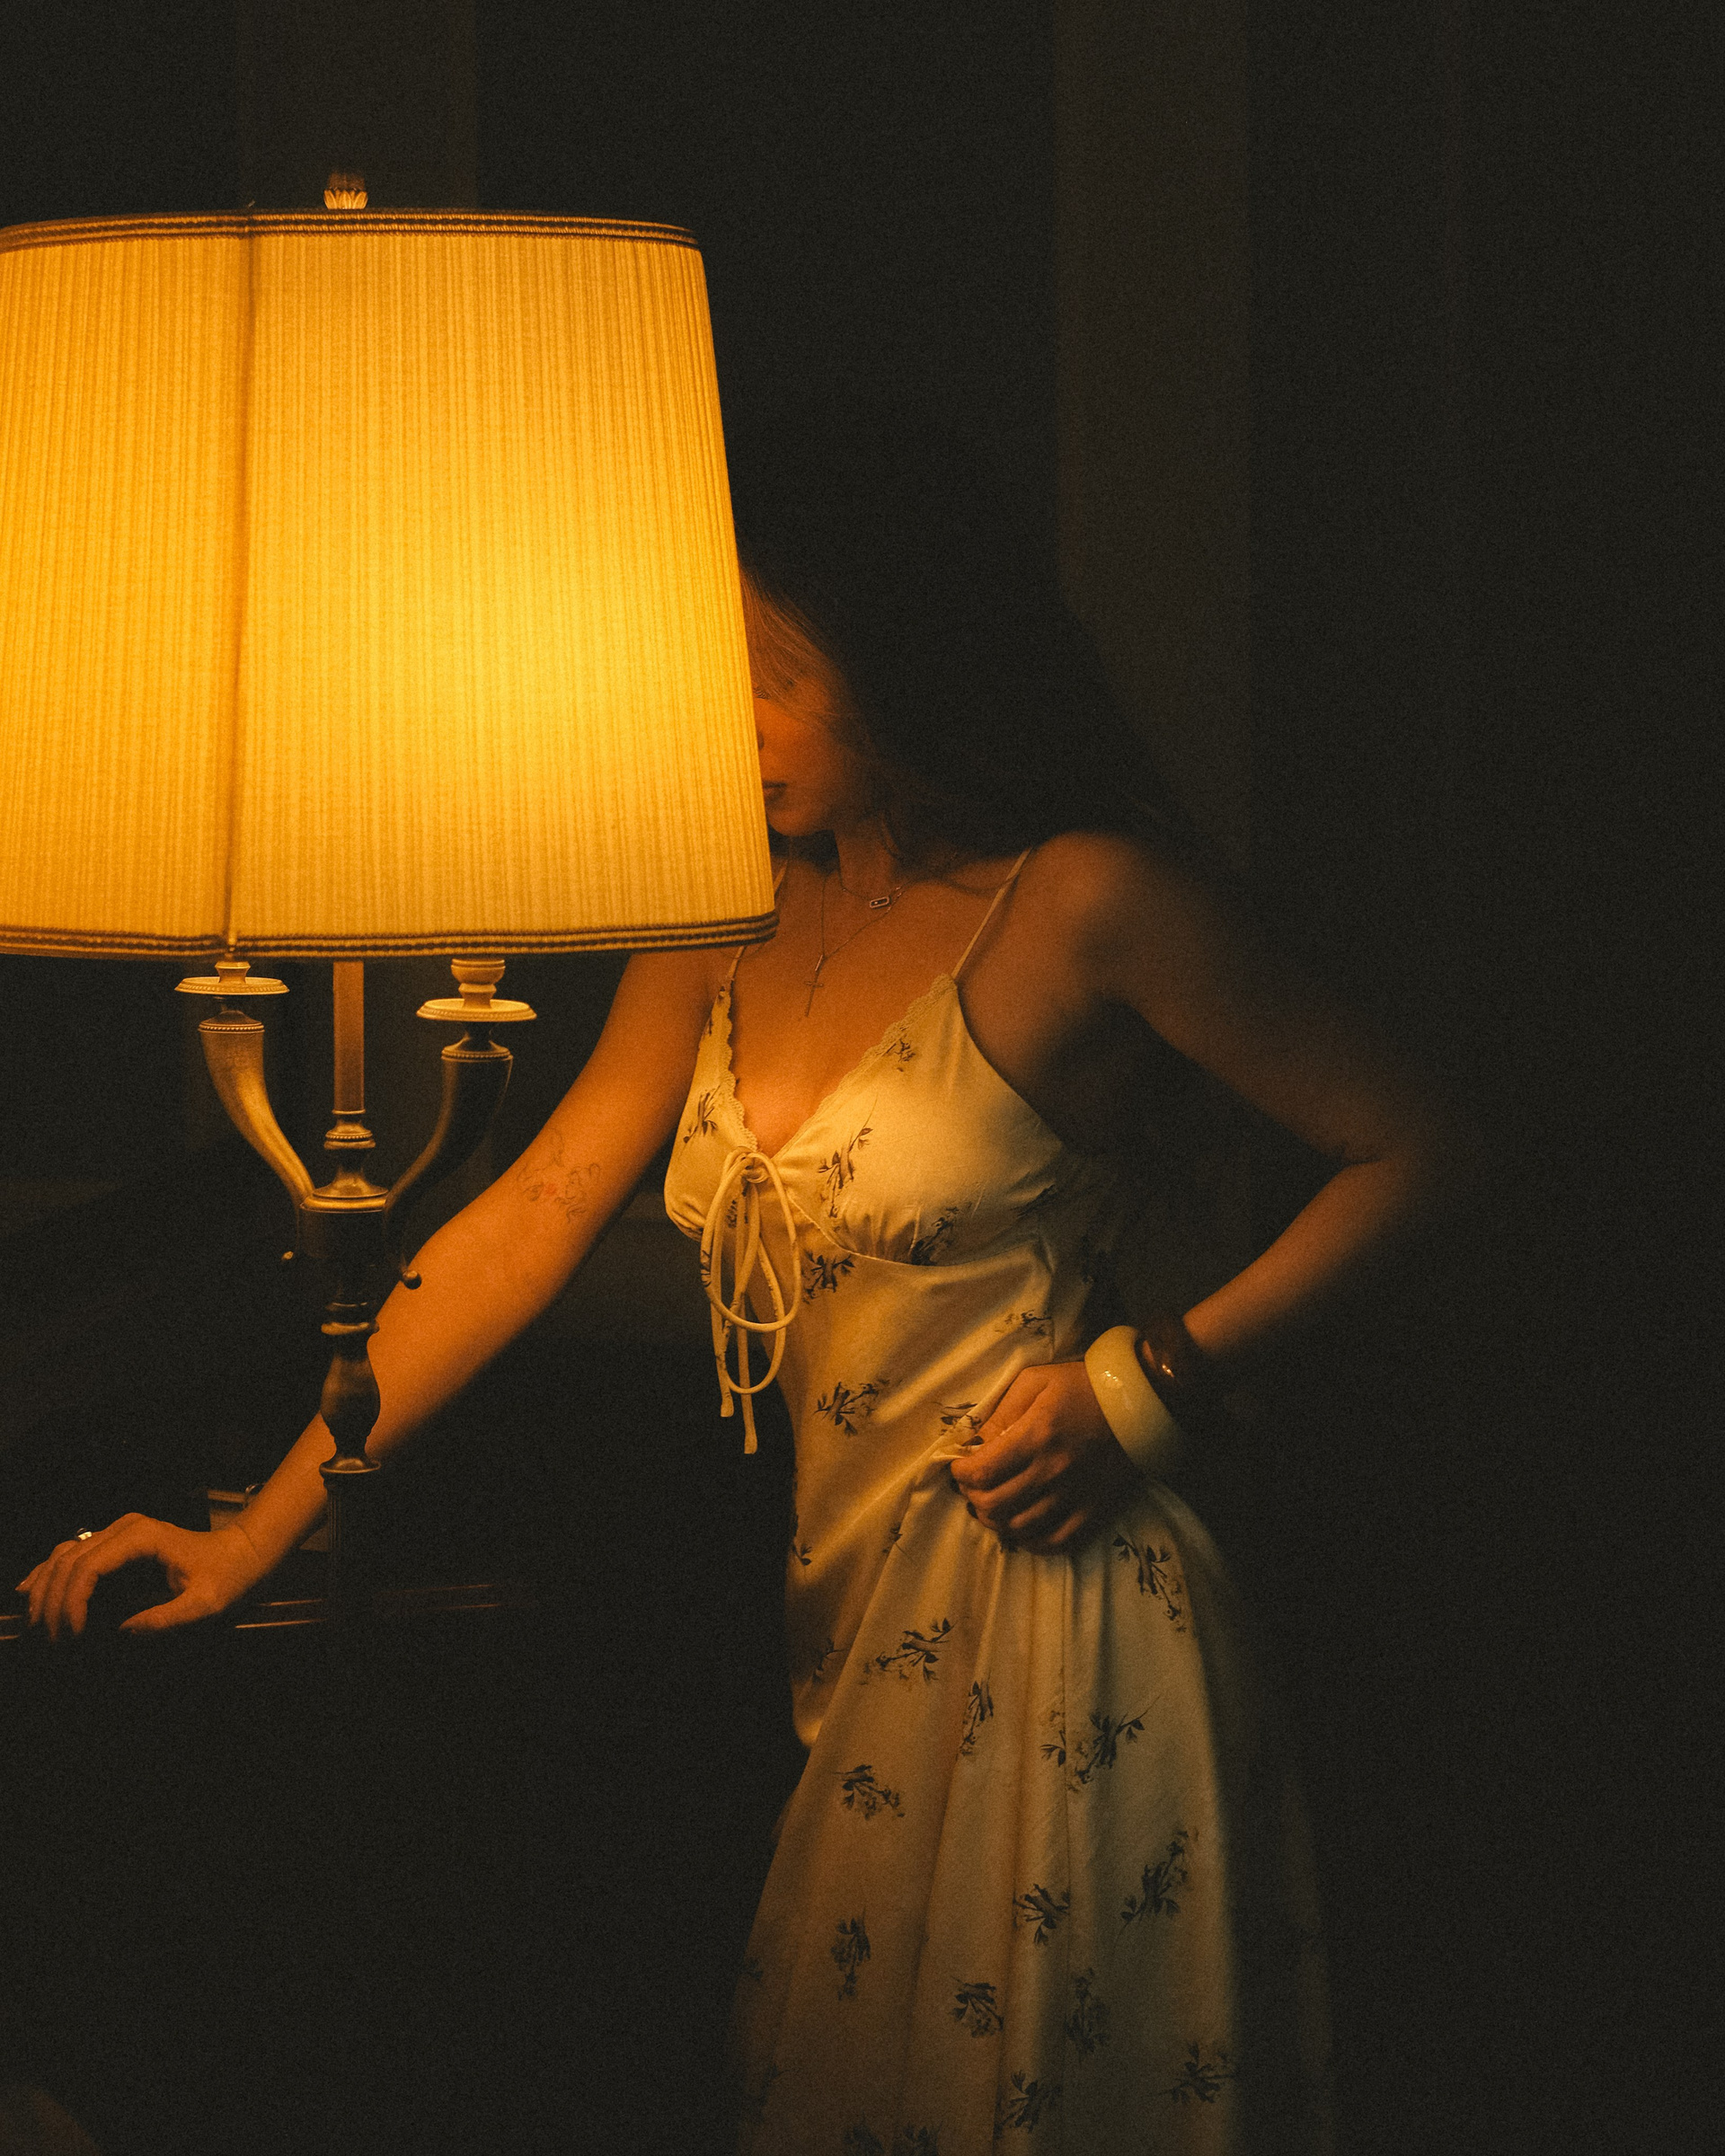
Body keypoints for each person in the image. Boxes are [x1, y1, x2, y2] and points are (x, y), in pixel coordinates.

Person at [19, 411, 1464, 2152]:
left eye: (774, 682)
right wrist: (258, 1532)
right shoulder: (724, 908)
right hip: (844, 1626)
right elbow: (537, 1209)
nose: (732, 727)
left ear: (906, 660)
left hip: (1059, 1610)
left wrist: (1150, 1382)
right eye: (715, 678)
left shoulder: (1084, 901)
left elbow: (1429, 1144)